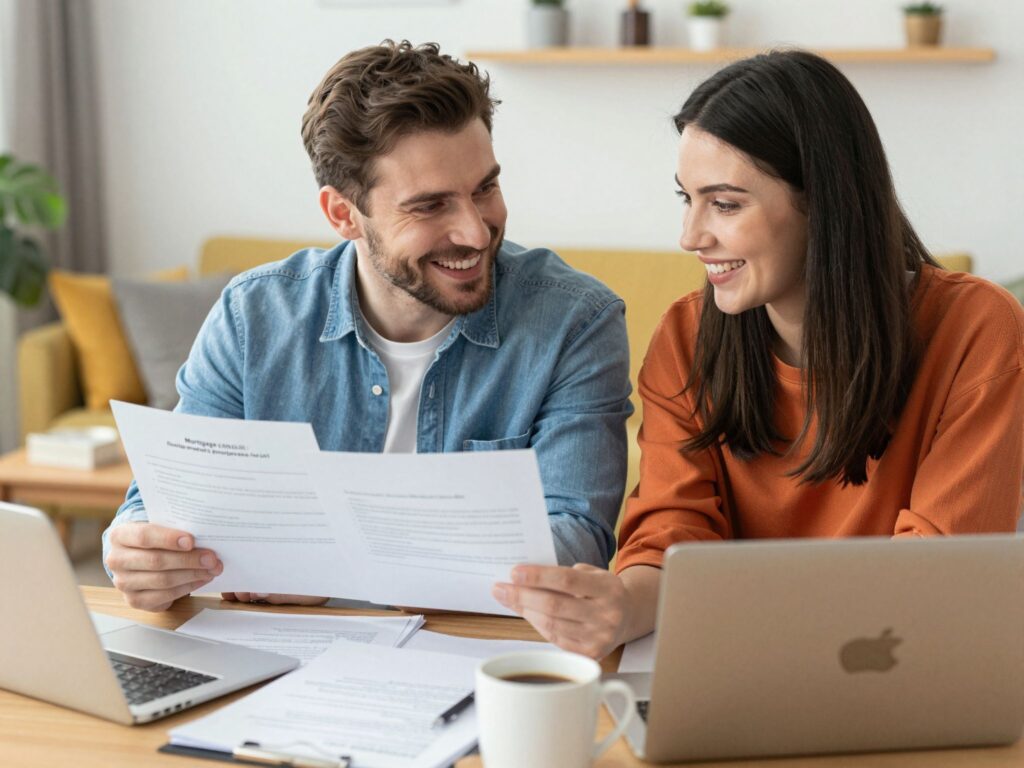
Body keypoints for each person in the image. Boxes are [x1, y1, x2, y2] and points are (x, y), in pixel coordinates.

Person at [493, 49, 1024, 658]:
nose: (691, 237)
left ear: (825, 202)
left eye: (725, 204)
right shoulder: (685, 337)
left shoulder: (978, 329)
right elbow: (673, 534)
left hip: (895, 660)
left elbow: (938, 575)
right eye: (686, 200)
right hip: (740, 660)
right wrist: (622, 607)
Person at [102, 40, 632, 612]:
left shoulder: (576, 322)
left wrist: (329, 563)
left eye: (485, 188)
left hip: (475, 659)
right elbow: (163, 506)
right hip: (287, 658)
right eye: (430, 206)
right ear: (342, 215)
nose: (476, 232)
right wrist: (136, 550)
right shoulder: (253, 315)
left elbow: (574, 541)